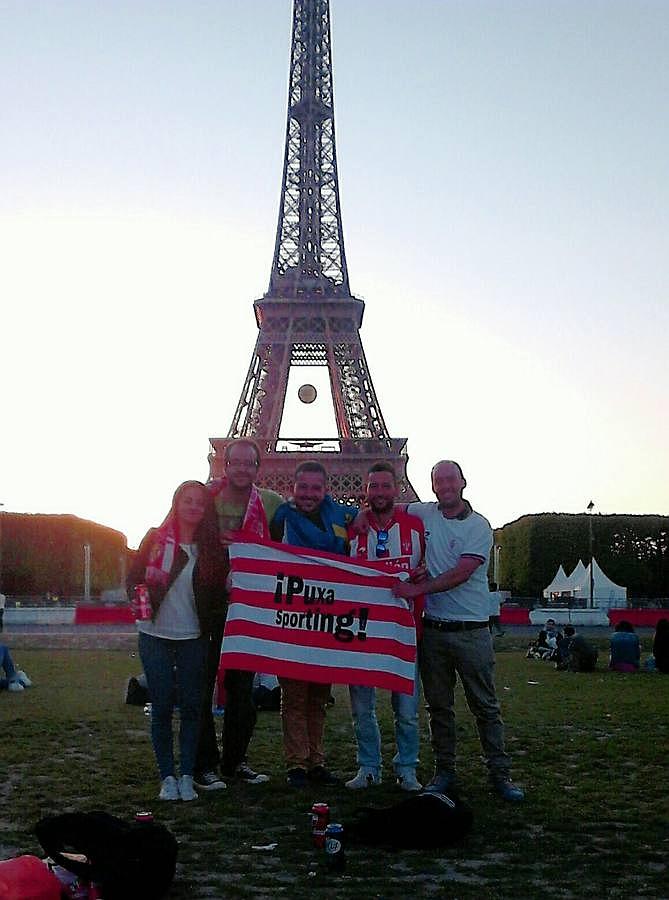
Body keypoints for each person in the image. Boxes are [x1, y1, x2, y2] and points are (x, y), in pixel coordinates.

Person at [392, 460, 524, 802]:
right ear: (433, 485)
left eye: (451, 479)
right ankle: (445, 771)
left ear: (463, 482)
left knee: (485, 706)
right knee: (439, 708)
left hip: (471, 631)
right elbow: (386, 506)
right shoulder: (424, 512)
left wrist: (416, 590)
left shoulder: (479, 526)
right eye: (439, 481)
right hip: (434, 631)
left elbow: (461, 573)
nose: (446, 486)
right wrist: (362, 515)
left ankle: (499, 774)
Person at [128, 480, 225, 802]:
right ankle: (167, 776)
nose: (194, 507)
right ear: (176, 503)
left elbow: (219, 594)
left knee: (193, 708)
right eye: (188, 500)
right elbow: (133, 579)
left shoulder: (212, 548)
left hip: (193, 637)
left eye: (200, 502)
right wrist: (141, 605)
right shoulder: (155, 539)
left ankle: (186, 775)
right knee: (163, 706)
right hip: (155, 635)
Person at [196, 438, 284, 790]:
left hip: (247, 605)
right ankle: (204, 764)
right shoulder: (203, 499)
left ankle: (234, 761)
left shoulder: (273, 503)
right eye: (237, 462)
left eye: (250, 463)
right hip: (206, 600)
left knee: (242, 689)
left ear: (258, 468)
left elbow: (287, 548)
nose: (243, 469)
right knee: (202, 685)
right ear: (225, 464)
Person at [270, 460, 356, 788]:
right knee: (294, 695)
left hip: (327, 619)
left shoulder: (344, 516)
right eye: (302, 487)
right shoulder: (282, 517)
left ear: (326, 489)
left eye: (315, 488)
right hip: (293, 618)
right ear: (293, 488)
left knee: (318, 697)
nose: (308, 494)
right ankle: (297, 764)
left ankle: (315, 761)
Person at [346, 461, 426, 792]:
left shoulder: (417, 526)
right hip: (362, 634)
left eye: (385, 486)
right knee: (362, 710)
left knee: (406, 711)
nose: (380, 492)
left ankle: (406, 767)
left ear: (397, 488)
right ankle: (369, 766)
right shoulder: (353, 530)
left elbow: (429, 570)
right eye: (373, 487)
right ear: (365, 491)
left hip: (403, 634)